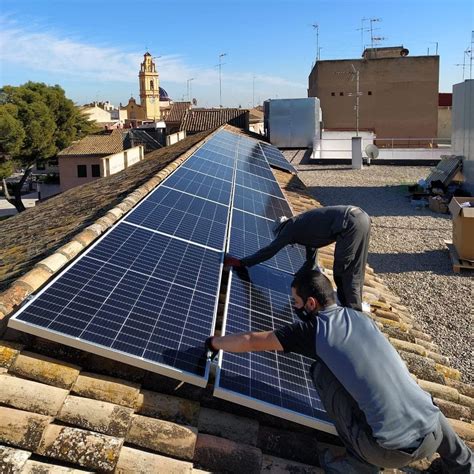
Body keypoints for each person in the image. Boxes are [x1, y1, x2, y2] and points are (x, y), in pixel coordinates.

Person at [205, 269, 473, 473]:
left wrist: (214, 342)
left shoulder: (312, 330)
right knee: (413, 394)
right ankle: (464, 464)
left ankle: (358, 465)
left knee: (321, 373)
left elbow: (253, 340)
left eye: (296, 302)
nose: (294, 307)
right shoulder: (360, 317)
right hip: (435, 435)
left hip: (386, 453)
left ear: (311, 303)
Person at [224, 206, 371, 311]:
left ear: (280, 229)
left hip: (349, 223)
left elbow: (269, 251)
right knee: (355, 269)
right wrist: (298, 279)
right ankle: (352, 305)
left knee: (343, 270)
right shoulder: (304, 227)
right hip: (360, 217)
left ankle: (353, 313)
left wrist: (243, 262)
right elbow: (311, 262)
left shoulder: (290, 228)